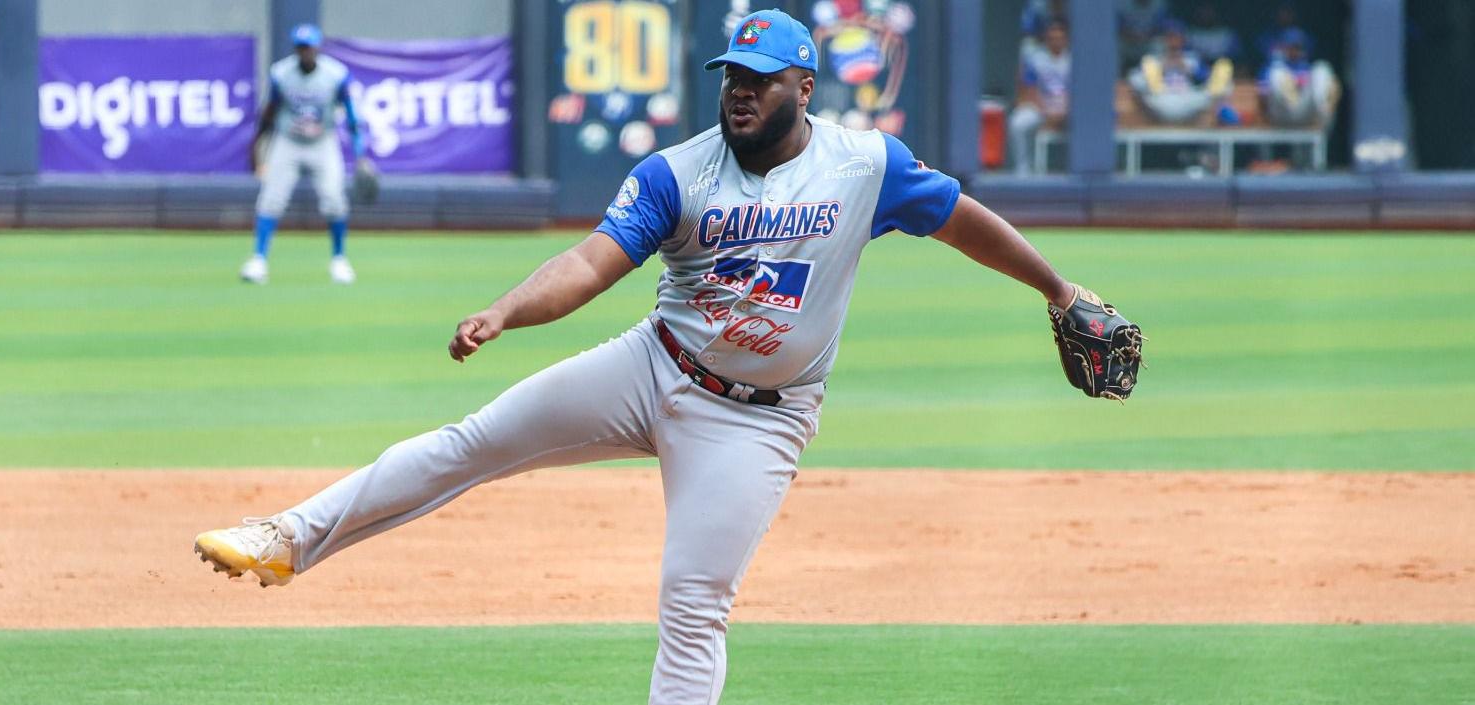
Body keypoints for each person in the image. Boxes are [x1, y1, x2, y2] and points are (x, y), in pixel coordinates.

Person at [194, 9, 1111, 704]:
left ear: (804, 84)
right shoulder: (678, 172)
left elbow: (965, 224)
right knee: (469, 441)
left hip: (760, 419)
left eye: (759, 77)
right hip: (650, 365)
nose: (739, 91)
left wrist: (1059, 291)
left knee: (692, 601)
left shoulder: (867, 165)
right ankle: (289, 536)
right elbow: (589, 263)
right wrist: (507, 310)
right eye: (729, 76)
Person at [239, 24, 367, 286]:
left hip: (323, 142)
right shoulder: (281, 73)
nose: (305, 52)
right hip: (288, 142)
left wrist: (359, 152)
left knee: (334, 200)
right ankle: (259, 260)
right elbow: (269, 113)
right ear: (296, 48)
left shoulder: (335, 74)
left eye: (309, 47)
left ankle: (339, 260)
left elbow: (351, 114)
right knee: (271, 199)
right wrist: (257, 147)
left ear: (317, 47)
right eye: (301, 47)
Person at [1127, 18, 1234, 126]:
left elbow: (1207, 80)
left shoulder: (1192, 59)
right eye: (1169, 37)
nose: (1173, 41)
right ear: (1163, 39)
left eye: (1176, 37)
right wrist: (1162, 69)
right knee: (1140, 74)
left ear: (1182, 39)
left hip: (1189, 100)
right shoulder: (1154, 61)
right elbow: (1135, 82)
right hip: (1161, 100)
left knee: (1224, 72)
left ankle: (1218, 117)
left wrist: (1187, 69)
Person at [1009, 17, 1070, 175]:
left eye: (1060, 37)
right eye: (1052, 38)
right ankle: (1023, 170)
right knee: (1018, 123)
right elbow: (1030, 88)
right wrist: (1045, 111)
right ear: (1046, 39)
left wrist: (1065, 110)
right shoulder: (1036, 59)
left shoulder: (1075, 60)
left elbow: (1082, 90)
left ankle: (1079, 171)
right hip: (1042, 107)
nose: (1056, 41)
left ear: (1066, 39)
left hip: (1069, 110)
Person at [1259, 27, 1339, 128]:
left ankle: (1323, 114)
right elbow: (1264, 96)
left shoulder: (1307, 67)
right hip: (1281, 115)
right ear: (1284, 47)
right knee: (1276, 73)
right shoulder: (1272, 67)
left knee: (1322, 68)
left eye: (1298, 47)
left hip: (1304, 113)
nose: (1295, 50)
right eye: (1291, 46)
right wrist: (1290, 87)